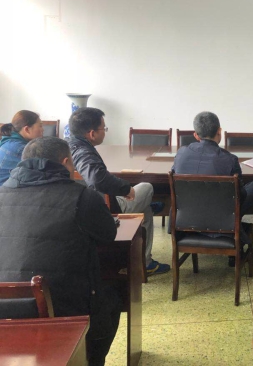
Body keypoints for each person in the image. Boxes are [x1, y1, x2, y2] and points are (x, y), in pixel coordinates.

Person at [0, 137, 120, 365]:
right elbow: (108, 235)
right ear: (66, 162)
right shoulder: (83, 196)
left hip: (3, 307)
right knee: (112, 299)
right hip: (60, 306)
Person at [68, 108, 170, 276]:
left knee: (146, 211)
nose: (105, 131)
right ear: (92, 134)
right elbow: (96, 179)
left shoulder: (68, 147)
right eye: (104, 128)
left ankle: (146, 263)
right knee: (147, 187)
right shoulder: (83, 152)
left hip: (85, 206)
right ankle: (145, 262)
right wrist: (126, 188)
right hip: (106, 208)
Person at [172, 111, 253, 215]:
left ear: (196, 135)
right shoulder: (230, 159)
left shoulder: (181, 153)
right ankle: (234, 221)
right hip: (220, 217)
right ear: (219, 131)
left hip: (185, 217)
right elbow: (240, 195)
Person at [0, 110, 44, 185]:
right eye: (40, 126)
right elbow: (44, 171)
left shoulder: (9, 141)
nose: (43, 129)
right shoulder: (21, 148)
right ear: (27, 129)